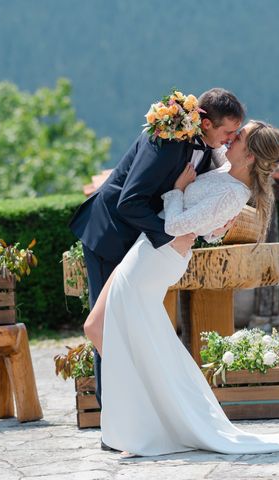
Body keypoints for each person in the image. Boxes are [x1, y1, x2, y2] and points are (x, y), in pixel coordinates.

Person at [85, 120, 279, 456]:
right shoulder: (225, 169)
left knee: (102, 329)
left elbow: (176, 225)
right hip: (148, 251)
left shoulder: (235, 192)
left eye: (239, 137)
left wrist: (177, 190)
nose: (230, 139)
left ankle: (147, 419)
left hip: (155, 258)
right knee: (109, 331)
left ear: (249, 155)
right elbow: (207, 230)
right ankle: (151, 413)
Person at [69, 88, 244, 411]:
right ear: (205, 123)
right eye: (228, 132)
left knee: (136, 325)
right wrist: (168, 239)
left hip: (143, 244)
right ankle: (113, 419)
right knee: (108, 326)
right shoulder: (165, 140)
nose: (232, 139)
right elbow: (129, 202)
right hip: (111, 235)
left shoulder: (208, 150)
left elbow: (193, 207)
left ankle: (144, 411)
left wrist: (215, 228)